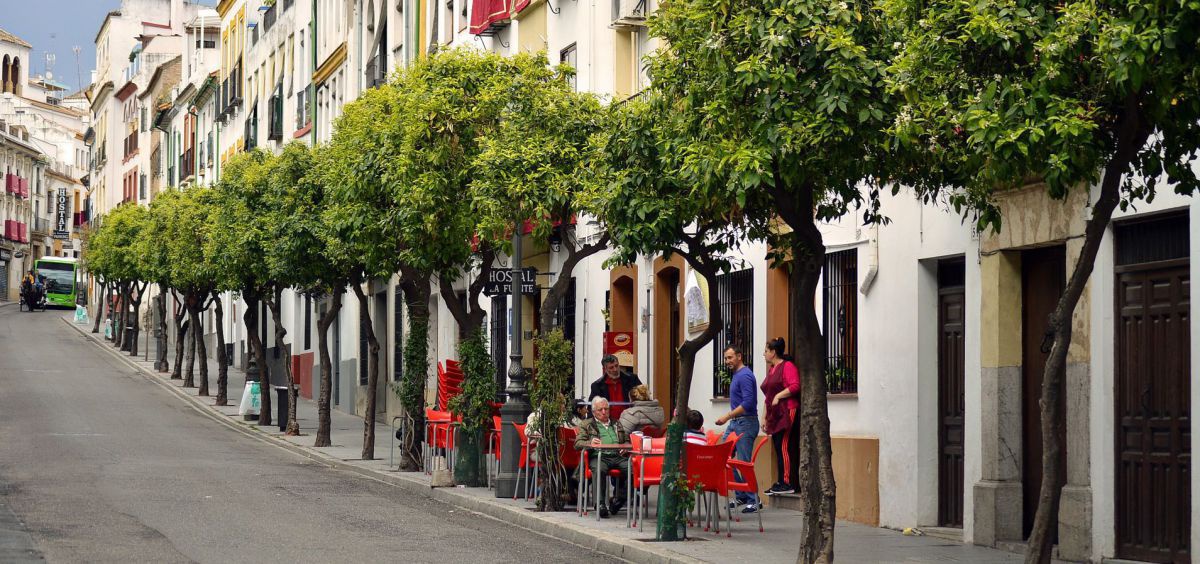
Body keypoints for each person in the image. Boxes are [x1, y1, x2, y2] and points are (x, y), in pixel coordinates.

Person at [714, 345, 761, 513]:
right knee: (724, 458)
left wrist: (727, 416)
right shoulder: (737, 375)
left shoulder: (745, 375)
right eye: (726, 358)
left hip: (745, 423)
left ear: (739, 356)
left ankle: (754, 499)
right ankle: (741, 494)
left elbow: (748, 403)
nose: (727, 361)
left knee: (743, 463)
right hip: (736, 423)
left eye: (730, 357)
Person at [574, 397, 628, 518]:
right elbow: (577, 444)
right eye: (600, 409)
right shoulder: (586, 424)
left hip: (617, 456)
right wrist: (590, 443)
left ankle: (619, 500)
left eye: (606, 409)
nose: (604, 412)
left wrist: (625, 447)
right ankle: (600, 504)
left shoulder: (616, 423)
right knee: (599, 469)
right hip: (599, 456)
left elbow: (626, 439)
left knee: (634, 469)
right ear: (593, 412)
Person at [761, 337, 801, 495]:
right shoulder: (772, 370)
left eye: (765, 351)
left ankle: (788, 482)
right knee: (778, 445)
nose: (764, 354)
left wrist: (779, 396)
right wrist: (764, 416)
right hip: (775, 413)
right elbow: (767, 396)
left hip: (787, 410)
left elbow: (795, 385)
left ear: (773, 352)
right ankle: (780, 481)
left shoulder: (787, 366)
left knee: (783, 444)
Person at [588, 355, 642, 420]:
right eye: (611, 367)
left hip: (631, 420)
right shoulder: (597, 385)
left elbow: (643, 399)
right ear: (605, 369)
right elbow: (592, 408)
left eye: (616, 366)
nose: (615, 369)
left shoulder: (632, 379)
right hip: (608, 423)